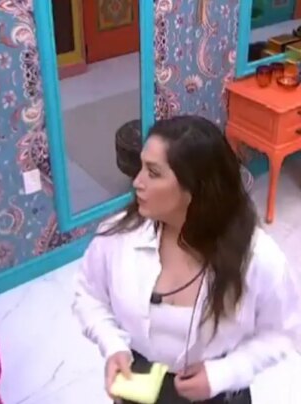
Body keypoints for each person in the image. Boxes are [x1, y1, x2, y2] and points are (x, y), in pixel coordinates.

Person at [73, 115, 301, 404]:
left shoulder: (257, 258)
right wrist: (113, 346)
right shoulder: (116, 238)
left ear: (195, 187)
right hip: (138, 382)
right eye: (141, 167)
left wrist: (224, 373)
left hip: (218, 394)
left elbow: (282, 333)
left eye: (153, 173)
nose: (137, 182)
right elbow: (89, 296)